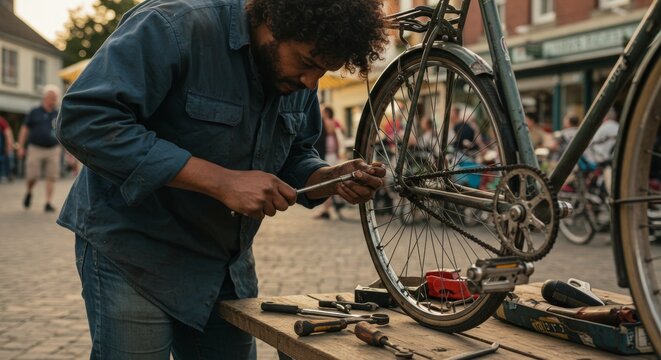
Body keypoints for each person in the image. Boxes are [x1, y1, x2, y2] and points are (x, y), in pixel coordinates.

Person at [55, 0, 388, 358]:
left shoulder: (301, 74)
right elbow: (85, 120)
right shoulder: (175, 25)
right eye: (307, 64)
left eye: (323, 71)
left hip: (223, 269)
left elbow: (295, 152)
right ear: (273, 20)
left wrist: (326, 176)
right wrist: (221, 181)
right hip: (135, 252)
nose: (311, 82)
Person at [17, 85, 61, 211]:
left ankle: (48, 202)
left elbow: (63, 131)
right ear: (45, 97)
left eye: (56, 97)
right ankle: (29, 191)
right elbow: (24, 129)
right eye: (52, 97)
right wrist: (21, 146)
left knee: (51, 176)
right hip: (35, 148)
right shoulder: (34, 112)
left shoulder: (58, 113)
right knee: (32, 176)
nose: (55, 99)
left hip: (53, 149)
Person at [315, 106, 346, 219]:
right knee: (331, 180)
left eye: (323, 112)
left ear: (327, 113)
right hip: (330, 154)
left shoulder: (327, 122)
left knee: (327, 181)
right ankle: (331, 207)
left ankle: (327, 209)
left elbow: (333, 132)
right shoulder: (332, 122)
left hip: (328, 154)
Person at [0, 115, 15, 182]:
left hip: (2, 146)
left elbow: (8, 132)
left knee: (4, 159)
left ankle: (5, 175)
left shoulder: (1, 120)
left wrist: (10, 145)